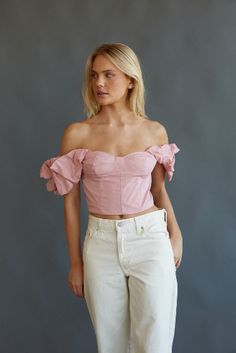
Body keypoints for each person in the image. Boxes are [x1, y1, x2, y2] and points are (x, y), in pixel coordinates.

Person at [40, 43, 183, 353]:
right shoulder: (77, 133)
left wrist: (176, 232)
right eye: (94, 76)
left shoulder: (154, 131)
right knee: (111, 346)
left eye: (109, 75)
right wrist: (75, 263)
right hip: (100, 244)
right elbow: (71, 204)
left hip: (150, 239)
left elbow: (158, 191)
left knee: (155, 342)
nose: (99, 84)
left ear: (131, 79)